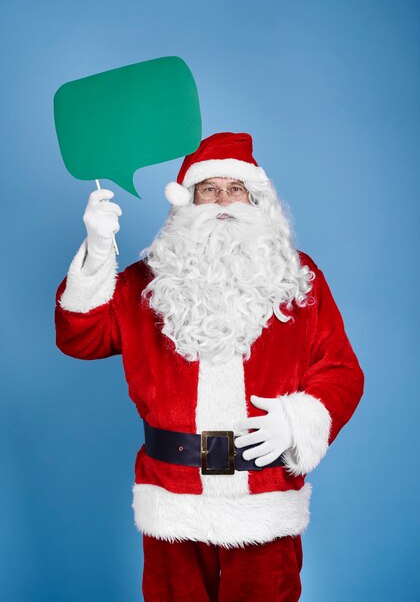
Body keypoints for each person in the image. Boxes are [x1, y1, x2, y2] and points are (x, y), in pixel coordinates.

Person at [54, 132, 364, 601]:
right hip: (171, 496)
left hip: (264, 495)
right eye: (209, 189)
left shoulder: (299, 278)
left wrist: (298, 423)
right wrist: (98, 251)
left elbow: (340, 370)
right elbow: (81, 338)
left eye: (235, 189)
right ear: (188, 202)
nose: (223, 201)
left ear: (256, 200)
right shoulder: (146, 282)